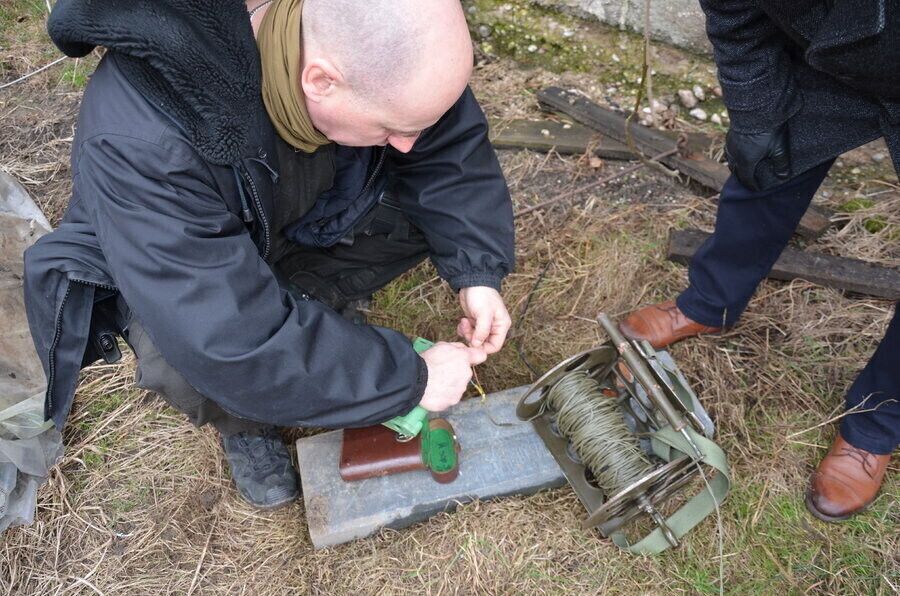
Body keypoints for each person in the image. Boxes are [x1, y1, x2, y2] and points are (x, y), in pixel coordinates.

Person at [24, 0, 515, 510]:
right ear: (320, 80)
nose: (407, 146)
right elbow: (225, 337)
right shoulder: (144, 141)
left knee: (418, 217)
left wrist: (475, 270)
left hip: (287, 202)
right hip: (175, 265)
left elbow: (450, 148)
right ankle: (247, 418)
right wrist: (411, 379)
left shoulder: (359, 48)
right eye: (394, 129)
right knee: (182, 355)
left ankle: (309, 331)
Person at [620, 0, 898, 522]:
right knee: (764, 174)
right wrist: (754, 115)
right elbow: (735, 16)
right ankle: (707, 303)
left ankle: (874, 426)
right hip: (830, 67)